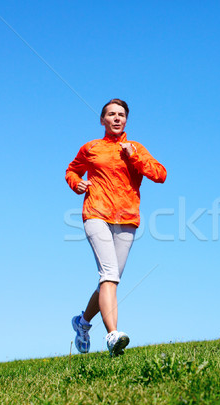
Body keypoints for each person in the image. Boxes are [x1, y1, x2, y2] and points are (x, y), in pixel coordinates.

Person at [66, 99, 167, 357]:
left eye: (121, 115)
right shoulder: (91, 148)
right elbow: (72, 170)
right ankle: (112, 335)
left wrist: (134, 159)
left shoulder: (135, 149)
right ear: (102, 120)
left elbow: (160, 174)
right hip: (96, 213)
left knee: (108, 283)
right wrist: (76, 183)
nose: (117, 118)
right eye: (111, 114)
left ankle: (82, 322)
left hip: (127, 218)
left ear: (126, 120)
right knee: (109, 275)